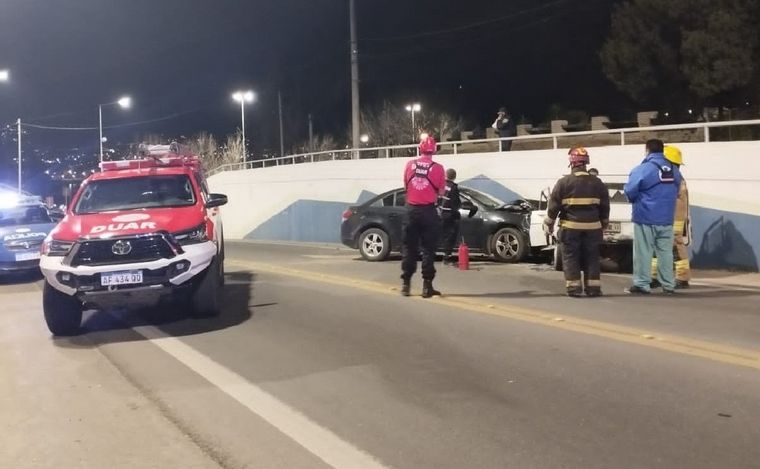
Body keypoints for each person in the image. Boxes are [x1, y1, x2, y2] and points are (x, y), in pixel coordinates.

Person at [543, 147, 610, 297]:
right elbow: (605, 206)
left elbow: (554, 206)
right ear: (586, 163)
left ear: (572, 163)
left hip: (570, 228)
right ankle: (593, 288)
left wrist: (549, 222)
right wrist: (604, 223)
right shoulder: (598, 183)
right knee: (592, 257)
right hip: (593, 228)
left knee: (571, 257)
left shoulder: (564, 182)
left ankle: (574, 288)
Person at [623, 139, 682, 294]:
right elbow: (678, 190)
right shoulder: (674, 170)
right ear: (662, 150)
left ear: (647, 150)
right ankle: (668, 285)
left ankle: (642, 284)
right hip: (666, 218)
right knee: (665, 253)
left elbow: (630, 191)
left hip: (645, 217)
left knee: (643, 252)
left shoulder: (643, 169)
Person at [401, 134, 446, 298]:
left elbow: (405, 186)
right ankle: (427, 287)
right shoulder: (439, 168)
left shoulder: (409, 164)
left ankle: (405, 285)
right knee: (428, 249)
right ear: (434, 150)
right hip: (428, 212)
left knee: (409, 248)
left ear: (420, 148)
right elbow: (441, 191)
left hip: (411, 210)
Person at [651, 145, 691, 289]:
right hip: (667, 217)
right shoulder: (674, 177)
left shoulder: (673, 177)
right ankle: (654, 276)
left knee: (675, 246)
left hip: (672, 218)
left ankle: (682, 278)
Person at [440, 168, 462, 266]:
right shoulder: (453, 188)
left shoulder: (442, 186)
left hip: (440, 213)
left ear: (446, 175)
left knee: (444, 236)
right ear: (454, 177)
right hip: (449, 215)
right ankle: (446, 257)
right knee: (450, 236)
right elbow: (455, 204)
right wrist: (457, 214)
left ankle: (444, 256)